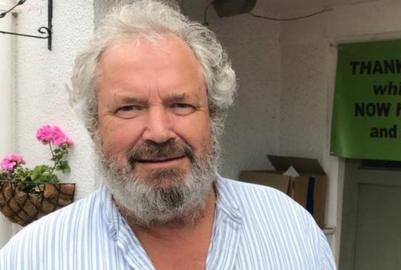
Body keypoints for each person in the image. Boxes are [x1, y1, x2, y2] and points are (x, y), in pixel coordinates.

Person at [0, 1, 336, 269]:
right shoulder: (33, 257)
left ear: (213, 115)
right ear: (94, 124)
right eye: (129, 108)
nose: (159, 133)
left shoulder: (291, 228)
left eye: (181, 104)